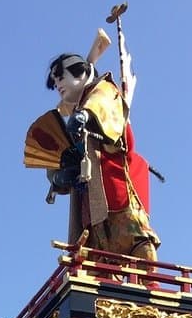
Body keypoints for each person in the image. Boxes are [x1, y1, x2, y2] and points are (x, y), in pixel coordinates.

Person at [38, 52, 159, 260]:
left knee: (133, 236)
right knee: (94, 243)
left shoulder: (103, 90)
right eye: (55, 81)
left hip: (111, 178)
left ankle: (149, 278)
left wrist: (86, 114)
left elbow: (104, 104)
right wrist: (58, 177)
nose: (58, 85)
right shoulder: (71, 120)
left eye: (61, 77)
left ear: (81, 72)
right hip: (88, 196)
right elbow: (58, 154)